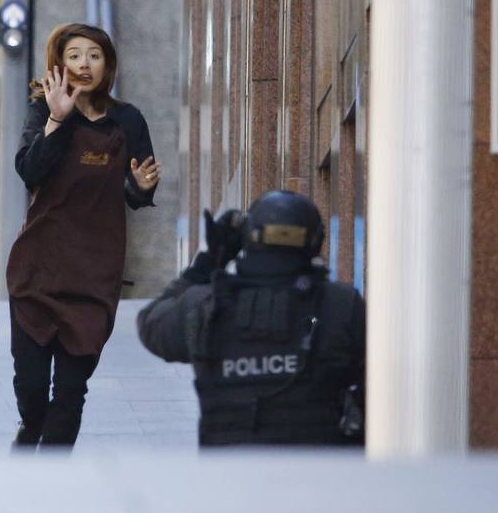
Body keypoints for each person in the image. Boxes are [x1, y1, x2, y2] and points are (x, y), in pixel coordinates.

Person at [6, 22, 160, 450]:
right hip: (38, 267)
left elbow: (136, 189)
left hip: (95, 274)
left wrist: (142, 187)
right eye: (74, 55)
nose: (84, 65)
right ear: (59, 63)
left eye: (94, 55)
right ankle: (29, 427)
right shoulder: (42, 109)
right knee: (32, 387)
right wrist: (57, 117)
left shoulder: (127, 119)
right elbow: (29, 171)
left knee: (72, 393)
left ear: (107, 64)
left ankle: (53, 484)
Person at [137, 190, 366, 447]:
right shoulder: (343, 306)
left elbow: (151, 325)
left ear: (246, 238)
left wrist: (210, 260)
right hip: (326, 476)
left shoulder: (205, 305)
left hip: (229, 479)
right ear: (315, 241)